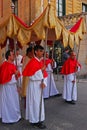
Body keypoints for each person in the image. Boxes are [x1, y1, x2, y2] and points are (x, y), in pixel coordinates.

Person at [22, 45, 47, 129]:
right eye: (40, 51)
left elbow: (45, 74)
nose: (42, 53)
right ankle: (36, 120)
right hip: (34, 86)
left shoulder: (40, 62)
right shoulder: (33, 62)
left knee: (38, 103)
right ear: (36, 52)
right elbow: (31, 76)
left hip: (39, 86)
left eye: (43, 51)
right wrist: (41, 71)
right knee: (35, 103)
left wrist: (44, 82)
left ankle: (37, 119)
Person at [0, 50, 21, 123]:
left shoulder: (13, 64)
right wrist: (13, 74)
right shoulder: (4, 65)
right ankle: (9, 118)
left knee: (14, 101)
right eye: (12, 54)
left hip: (13, 87)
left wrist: (18, 86)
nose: (14, 55)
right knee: (9, 102)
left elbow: (17, 76)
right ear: (9, 56)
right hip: (7, 87)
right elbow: (3, 77)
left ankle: (15, 115)